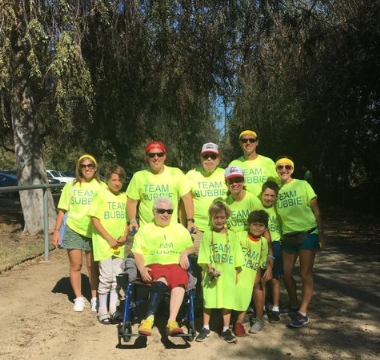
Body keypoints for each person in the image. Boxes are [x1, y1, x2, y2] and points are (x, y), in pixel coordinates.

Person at [131, 197, 196, 337]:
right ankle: (148, 319)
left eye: (169, 211)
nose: (165, 214)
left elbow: (191, 247)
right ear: (154, 212)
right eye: (161, 211)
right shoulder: (145, 229)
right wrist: (141, 268)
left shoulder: (179, 228)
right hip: (154, 264)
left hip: (175, 264)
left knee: (180, 278)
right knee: (161, 276)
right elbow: (136, 251)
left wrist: (185, 252)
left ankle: (172, 322)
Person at [51, 154, 107, 312]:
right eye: (84, 166)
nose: (87, 168)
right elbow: (62, 209)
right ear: (79, 168)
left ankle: (95, 298)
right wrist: (56, 231)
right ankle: (79, 298)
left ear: (95, 168)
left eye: (90, 165)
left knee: (93, 266)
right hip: (73, 228)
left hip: (94, 231)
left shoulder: (102, 186)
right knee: (76, 265)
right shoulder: (71, 186)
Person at [275, 156, 325, 328]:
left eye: (287, 167)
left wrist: (320, 232)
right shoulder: (277, 191)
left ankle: (302, 313)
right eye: (280, 167)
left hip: (308, 233)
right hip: (288, 236)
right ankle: (294, 304)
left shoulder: (303, 184)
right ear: (276, 170)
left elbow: (315, 209)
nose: (283, 170)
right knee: (286, 273)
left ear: (292, 169)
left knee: (305, 273)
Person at [196, 202, 244, 343]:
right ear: (211, 218)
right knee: (208, 300)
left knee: (227, 301)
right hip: (211, 273)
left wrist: (235, 272)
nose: (219, 220)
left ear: (227, 217)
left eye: (222, 217)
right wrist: (209, 268)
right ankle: (205, 327)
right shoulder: (207, 235)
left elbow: (236, 255)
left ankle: (225, 329)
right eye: (216, 217)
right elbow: (204, 253)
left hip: (228, 272)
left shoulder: (232, 235)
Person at [126, 141, 196, 232]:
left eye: (160, 154)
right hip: (147, 231)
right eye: (152, 155)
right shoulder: (138, 176)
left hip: (171, 231)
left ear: (165, 156)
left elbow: (187, 198)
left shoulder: (176, 173)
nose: (156, 157)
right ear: (147, 157)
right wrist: (132, 220)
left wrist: (190, 221)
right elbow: (131, 201)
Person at [89, 165, 128, 324]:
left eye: (120, 180)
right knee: (105, 277)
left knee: (117, 277)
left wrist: (125, 235)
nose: (117, 183)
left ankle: (113, 309)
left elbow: (127, 220)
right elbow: (94, 219)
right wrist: (109, 238)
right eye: (113, 180)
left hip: (119, 245)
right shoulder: (101, 195)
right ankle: (102, 309)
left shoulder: (124, 197)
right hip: (104, 243)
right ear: (107, 180)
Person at [186, 142, 227, 253]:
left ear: (219, 159)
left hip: (222, 228)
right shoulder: (191, 174)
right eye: (206, 156)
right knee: (199, 264)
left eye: (213, 156)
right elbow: (183, 202)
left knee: (220, 263)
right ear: (200, 158)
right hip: (198, 230)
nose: (209, 159)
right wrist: (185, 224)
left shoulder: (225, 174)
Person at [233, 210, 268, 336]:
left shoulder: (263, 242)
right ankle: (228, 321)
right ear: (249, 224)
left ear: (265, 228)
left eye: (261, 225)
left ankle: (244, 321)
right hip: (238, 270)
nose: (257, 228)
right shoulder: (239, 235)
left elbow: (262, 261)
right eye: (255, 224)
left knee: (252, 289)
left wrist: (265, 269)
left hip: (252, 272)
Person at [258, 181, 283, 324]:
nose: (268, 198)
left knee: (275, 278)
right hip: (259, 244)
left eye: (272, 196)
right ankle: (260, 306)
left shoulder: (278, 209)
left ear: (276, 197)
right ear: (261, 194)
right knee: (262, 278)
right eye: (266, 195)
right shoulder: (256, 206)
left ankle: (275, 308)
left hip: (275, 244)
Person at [229, 130, 279, 198]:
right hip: (244, 207)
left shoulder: (268, 162)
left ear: (257, 142)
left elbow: (277, 186)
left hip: (265, 207)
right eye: (244, 140)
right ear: (240, 143)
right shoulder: (233, 164)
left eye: (252, 140)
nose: (248, 143)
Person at [224, 165, 261, 232]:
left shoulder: (253, 200)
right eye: (231, 181)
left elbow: (261, 224)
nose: (234, 184)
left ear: (243, 181)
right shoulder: (224, 204)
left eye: (238, 180)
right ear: (226, 184)